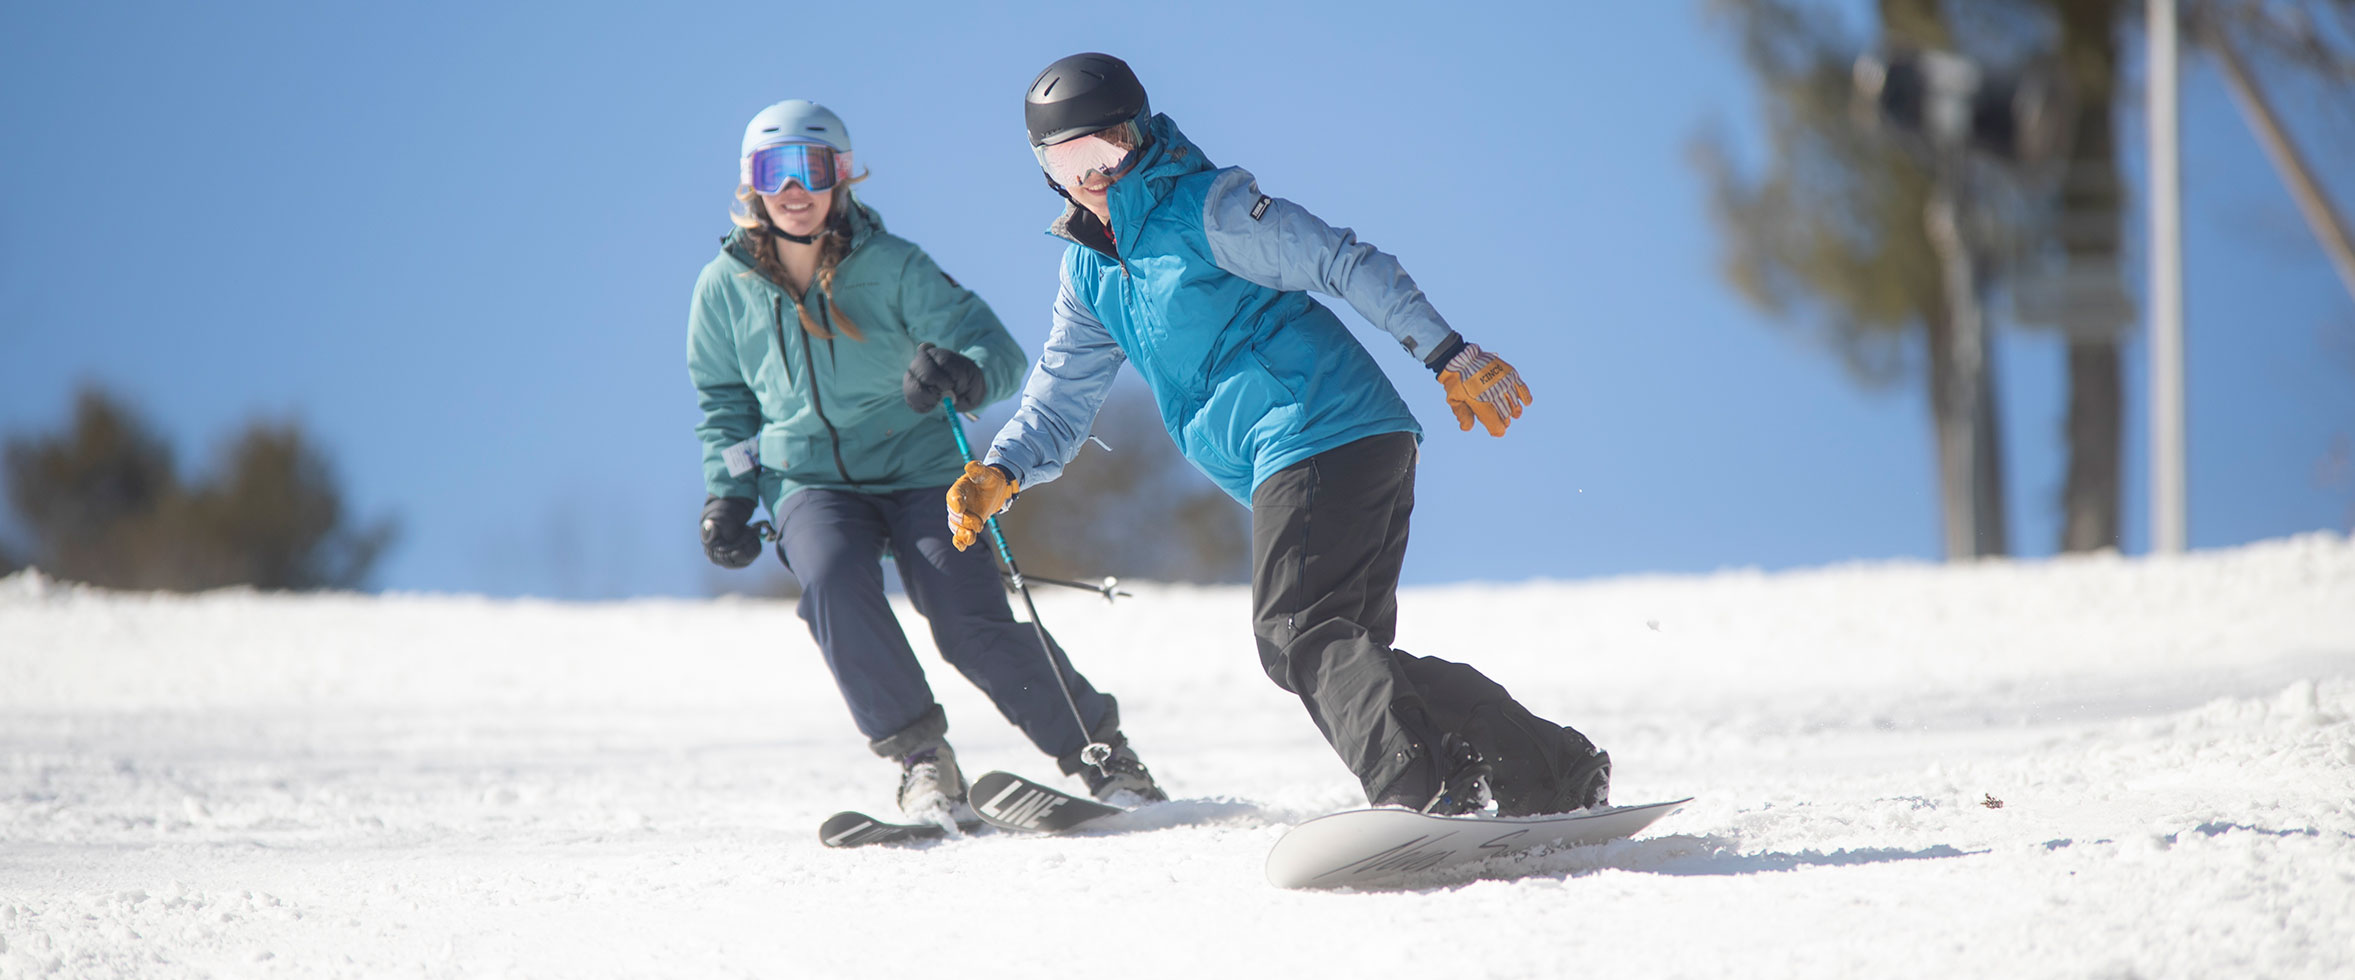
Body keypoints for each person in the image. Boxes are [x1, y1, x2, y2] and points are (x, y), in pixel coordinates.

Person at [948, 55, 1610, 816]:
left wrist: (1446, 352)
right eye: (1068, 161)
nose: (1092, 175)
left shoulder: (1205, 209)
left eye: (1107, 150)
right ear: (1045, 171)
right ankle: (1544, 770)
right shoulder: (1091, 270)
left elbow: (1339, 258)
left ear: (1139, 137)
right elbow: (1060, 395)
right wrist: (1001, 469)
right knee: (1342, 652)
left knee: (1297, 631)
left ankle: (1416, 787)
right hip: (1324, 447)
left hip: (1319, 428)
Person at [687, 99, 1166, 822]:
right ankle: (921, 761)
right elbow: (724, 401)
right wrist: (727, 495)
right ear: (750, 183)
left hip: (917, 469)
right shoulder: (722, 290)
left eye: (809, 168)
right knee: (831, 583)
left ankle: (1104, 759)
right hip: (808, 480)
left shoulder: (893, 267)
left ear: (840, 175)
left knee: (967, 622)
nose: (791, 189)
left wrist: (962, 374)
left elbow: (993, 352)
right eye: (771, 170)